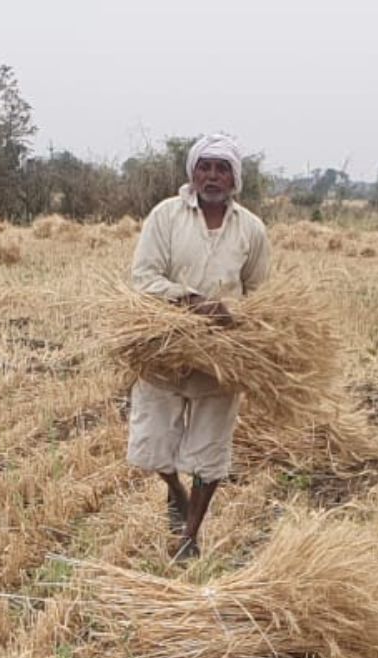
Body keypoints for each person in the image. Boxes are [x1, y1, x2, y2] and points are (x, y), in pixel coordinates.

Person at [128, 132, 272, 560]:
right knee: (153, 446)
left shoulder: (251, 229)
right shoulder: (165, 216)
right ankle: (176, 491)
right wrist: (192, 302)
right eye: (205, 166)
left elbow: (261, 294)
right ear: (192, 172)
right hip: (163, 347)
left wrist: (238, 322)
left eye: (222, 168)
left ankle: (189, 537)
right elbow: (144, 279)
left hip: (221, 357)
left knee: (211, 452)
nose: (212, 175)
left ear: (235, 178)